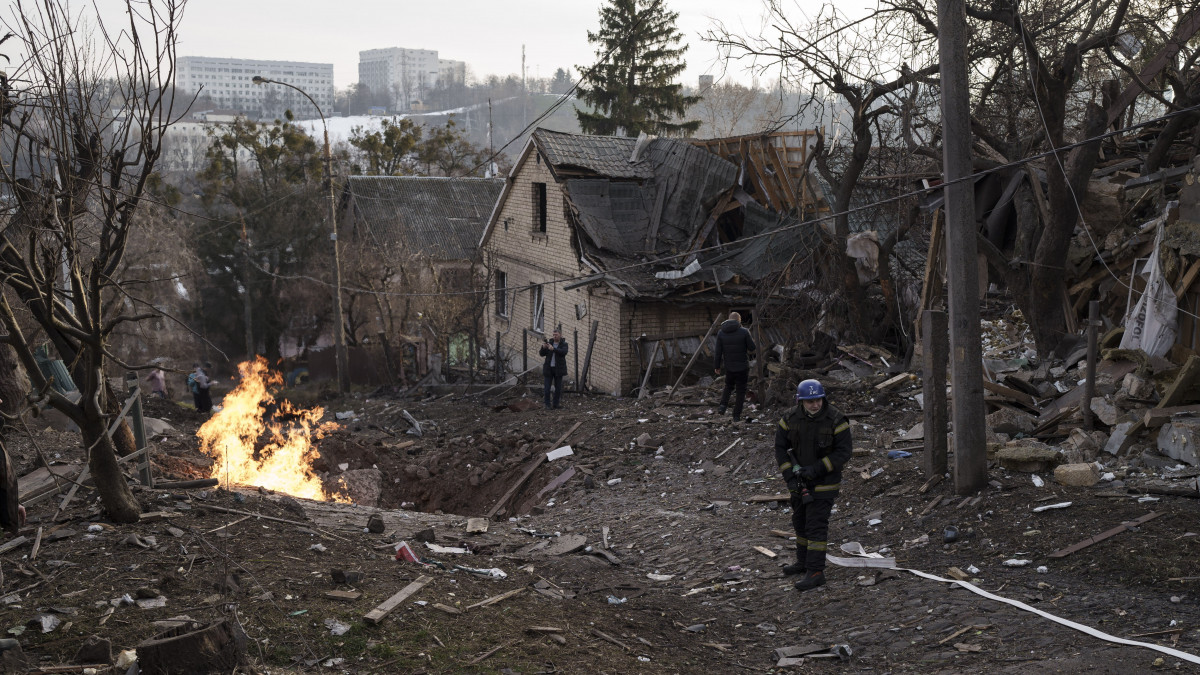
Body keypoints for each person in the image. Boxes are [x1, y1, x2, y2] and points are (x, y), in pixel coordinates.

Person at [775, 378, 852, 592]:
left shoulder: (836, 420)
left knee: (816, 526)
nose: (815, 405)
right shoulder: (789, 418)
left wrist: (816, 469)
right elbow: (780, 449)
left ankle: (816, 571)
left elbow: (843, 453)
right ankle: (803, 562)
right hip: (799, 483)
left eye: (818, 400)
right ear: (801, 401)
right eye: (810, 402)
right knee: (799, 522)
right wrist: (790, 477)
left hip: (825, 483)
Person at [713, 311, 756, 422]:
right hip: (742, 367)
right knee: (741, 391)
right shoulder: (744, 332)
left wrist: (717, 366)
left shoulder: (721, 333)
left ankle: (722, 406)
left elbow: (718, 352)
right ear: (739, 320)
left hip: (729, 367)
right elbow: (752, 348)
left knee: (728, 386)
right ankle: (736, 416)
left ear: (729, 319)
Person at [539, 328, 569, 410]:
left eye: (556, 335)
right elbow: (541, 354)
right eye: (553, 335)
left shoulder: (564, 344)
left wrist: (554, 349)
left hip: (558, 369)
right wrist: (543, 347)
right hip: (549, 369)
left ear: (560, 335)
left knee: (558, 388)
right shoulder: (550, 343)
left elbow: (563, 352)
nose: (555, 336)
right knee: (547, 388)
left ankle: (556, 404)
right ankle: (547, 404)